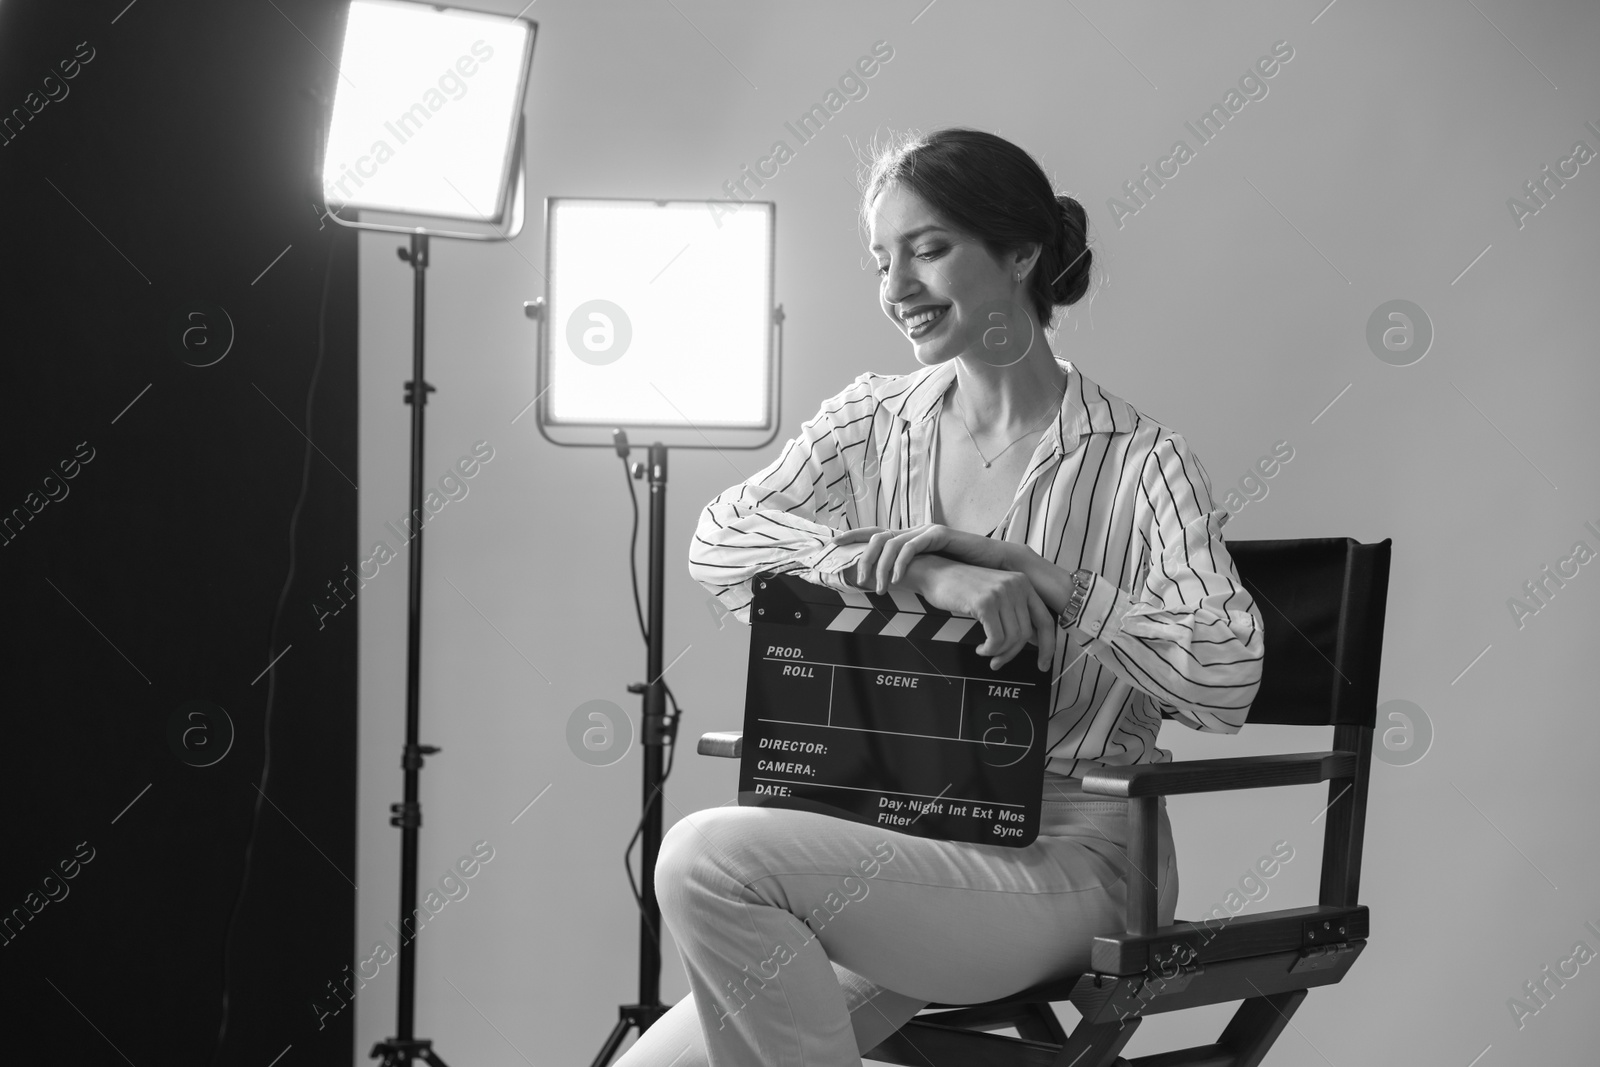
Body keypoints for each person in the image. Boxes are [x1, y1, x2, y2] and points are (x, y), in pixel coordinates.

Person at [617, 127, 1265, 1067]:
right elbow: (721, 538)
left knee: (710, 857)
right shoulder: (872, 418)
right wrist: (916, 570)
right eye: (883, 260)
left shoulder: (1140, 463)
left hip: (1072, 857)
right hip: (894, 845)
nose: (896, 288)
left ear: (1021, 255)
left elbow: (1229, 678)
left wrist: (1062, 587)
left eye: (927, 250)